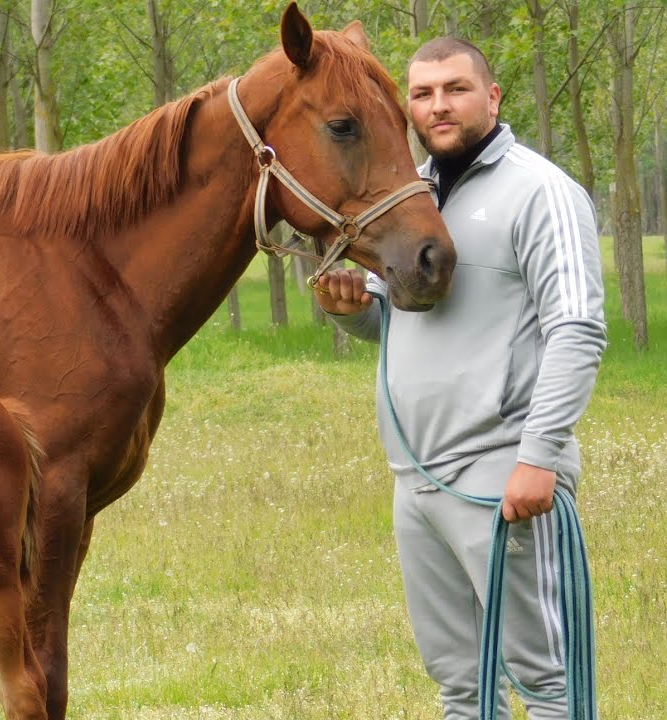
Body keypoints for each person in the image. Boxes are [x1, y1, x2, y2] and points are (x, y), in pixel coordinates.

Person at [316, 37, 606, 719]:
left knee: (548, 682)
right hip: (414, 479)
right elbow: (401, 325)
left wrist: (537, 459)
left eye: (455, 88)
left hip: (502, 474)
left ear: (493, 96)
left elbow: (577, 329)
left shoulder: (543, 192)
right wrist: (351, 313)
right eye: (422, 93)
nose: (438, 105)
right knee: (461, 687)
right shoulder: (408, 201)